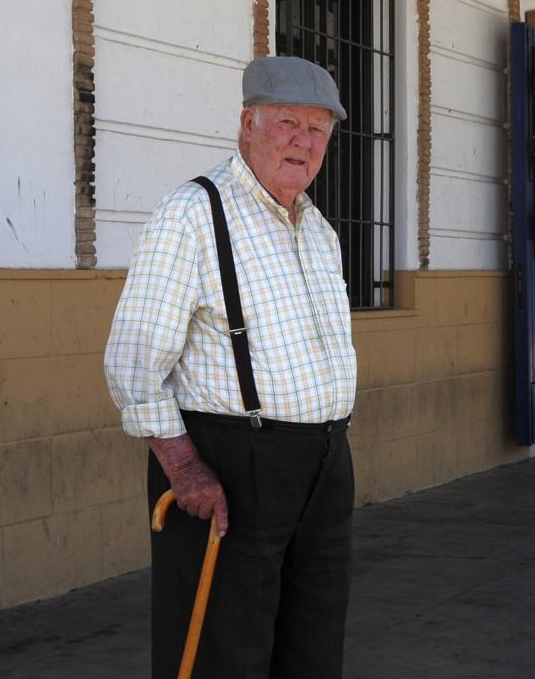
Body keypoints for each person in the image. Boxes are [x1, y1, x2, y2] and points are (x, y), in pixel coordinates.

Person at [104, 56, 357, 679]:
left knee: (313, 649)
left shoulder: (321, 232)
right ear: (248, 124)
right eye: (289, 122)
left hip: (324, 466)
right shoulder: (193, 213)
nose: (303, 140)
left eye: (318, 129)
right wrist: (184, 468)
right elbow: (133, 362)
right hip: (231, 465)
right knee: (224, 653)